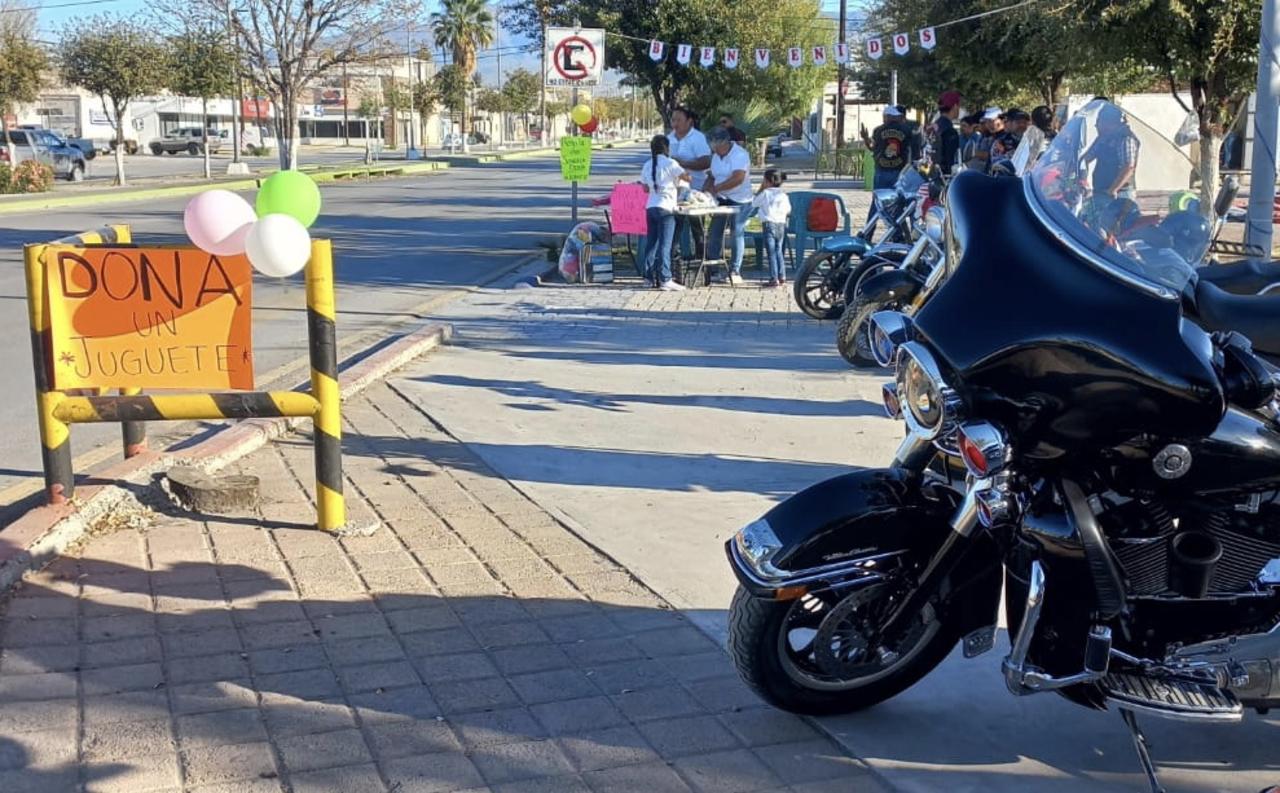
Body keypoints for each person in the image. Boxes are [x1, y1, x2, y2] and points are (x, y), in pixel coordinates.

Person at [639, 134, 691, 291]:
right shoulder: (671, 163)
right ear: (666, 148)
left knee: (651, 244)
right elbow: (687, 178)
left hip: (651, 207)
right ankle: (665, 278)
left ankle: (648, 278)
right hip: (666, 208)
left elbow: (645, 188)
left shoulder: (647, 165)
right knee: (665, 245)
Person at [704, 127, 753, 285]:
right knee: (714, 232)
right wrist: (705, 191)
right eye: (713, 149)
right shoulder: (716, 156)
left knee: (736, 233)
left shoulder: (740, 155)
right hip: (722, 198)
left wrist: (717, 188)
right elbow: (712, 175)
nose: (715, 151)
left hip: (740, 199)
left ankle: (735, 269)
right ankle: (714, 268)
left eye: (717, 148)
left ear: (725, 143)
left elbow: (738, 178)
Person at [668, 106, 712, 257]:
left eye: (679, 120)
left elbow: (706, 162)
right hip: (675, 192)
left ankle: (701, 261)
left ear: (689, 122)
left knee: (697, 228)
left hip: (695, 191)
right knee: (674, 227)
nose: (675, 123)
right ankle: (672, 260)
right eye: (673, 120)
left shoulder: (697, 138)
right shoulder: (670, 138)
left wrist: (681, 164)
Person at [1084, 103, 1140, 199]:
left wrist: (1113, 190)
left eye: (1099, 122)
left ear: (1110, 123)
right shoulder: (1103, 138)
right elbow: (1086, 158)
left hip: (1120, 193)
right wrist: (1082, 180)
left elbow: (1128, 167)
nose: (1096, 126)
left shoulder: (1126, 138)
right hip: (1100, 189)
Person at [752, 168, 791, 288]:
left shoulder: (765, 193)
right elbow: (788, 209)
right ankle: (782, 275)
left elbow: (754, 203)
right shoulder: (783, 195)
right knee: (778, 251)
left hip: (769, 224)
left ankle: (774, 278)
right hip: (781, 225)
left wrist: (760, 189)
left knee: (771, 253)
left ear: (767, 181)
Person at [861, 105, 916, 192]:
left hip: (881, 171)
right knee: (898, 200)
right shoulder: (906, 130)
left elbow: (872, 148)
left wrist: (865, 139)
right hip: (899, 171)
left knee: (879, 200)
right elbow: (911, 150)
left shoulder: (878, 130)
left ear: (887, 117)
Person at [934, 91, 962, 175]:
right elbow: (951, 160)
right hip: (943, 177)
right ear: (955, 106)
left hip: (931, 175)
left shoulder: (935, 126)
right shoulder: (950, 131)